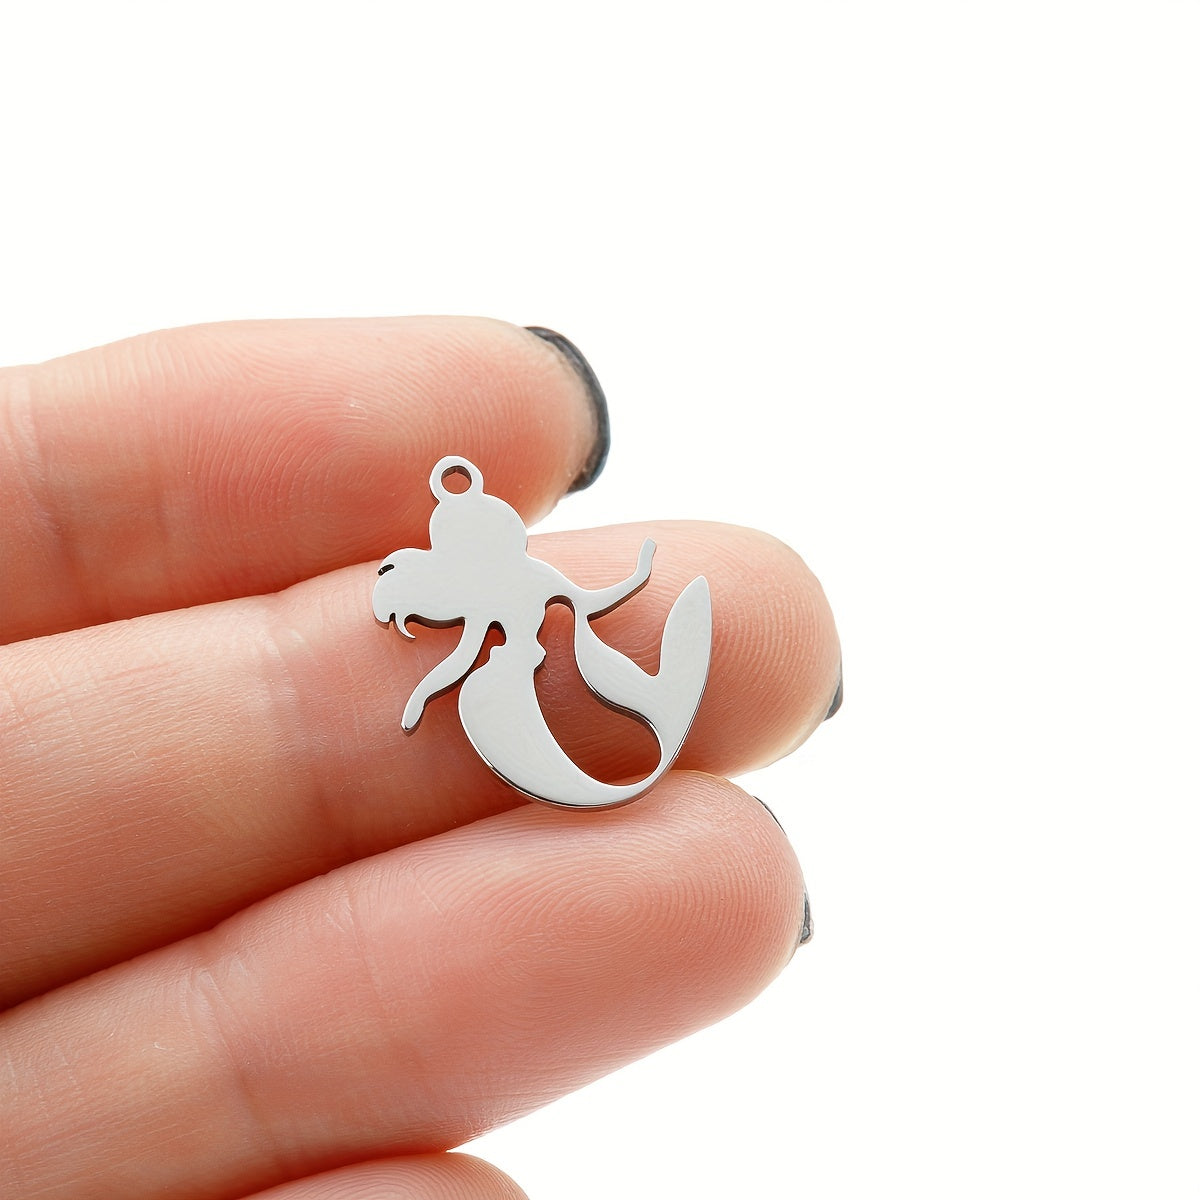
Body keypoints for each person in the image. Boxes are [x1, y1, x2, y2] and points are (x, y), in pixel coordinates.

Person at [0, 317, 841, 1200]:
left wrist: (624, 584)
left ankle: (650, 711)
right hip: (512, 705)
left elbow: (578, 601)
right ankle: (645, 716)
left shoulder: (511, 587)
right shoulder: (478, 597)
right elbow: (493, 634)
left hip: (528, 703)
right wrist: (429, 689)